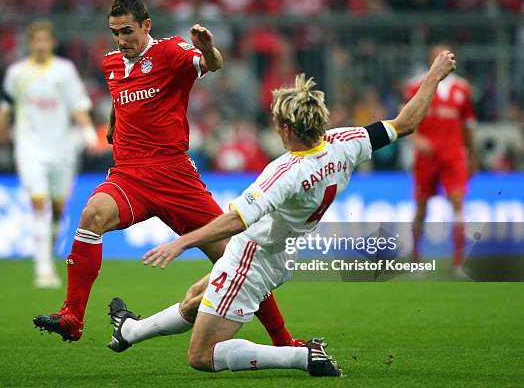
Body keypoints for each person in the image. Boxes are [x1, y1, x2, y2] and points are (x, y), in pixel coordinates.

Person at [134, 51, 456, 377]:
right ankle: (130, 332)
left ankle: (300, 357)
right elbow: (406, 123)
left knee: (201, 356)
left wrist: (182, 242)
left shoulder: (286, 173)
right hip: (282, 255)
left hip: (251, 258)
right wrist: (434, 75)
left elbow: (236, 220)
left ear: (287, 129)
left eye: (276, 124)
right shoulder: (345, 142)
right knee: (193, 299)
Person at [33, 0, 299, 348]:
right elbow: (118, 97)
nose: (121, 40)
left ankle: (282, 341)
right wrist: (114, 125)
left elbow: (212, 64)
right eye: (115, 33)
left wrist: (209, 50)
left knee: (236, 257)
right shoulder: (111, 63)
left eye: (127, 31)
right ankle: (72, 317)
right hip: (129, 175)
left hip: (175, 177)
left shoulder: (171, 52)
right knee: (92, 214)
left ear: (146, 25)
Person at [0, 20, 96, 288]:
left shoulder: (65, 71)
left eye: (45, 40)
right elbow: (4, 112)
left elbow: (78, 106)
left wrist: (89, 132)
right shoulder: (17, 73)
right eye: (36, 40)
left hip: (61, 148)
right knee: (38, 204)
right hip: (30, 148)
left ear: (52, 43)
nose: (41, 45)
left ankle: (50, 247)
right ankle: (43, 268)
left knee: (58, 209)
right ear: (30, 43)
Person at [404, 44, 478, 276]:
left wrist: (472, 155)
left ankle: (457, 263)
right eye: (440, 56)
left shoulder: (462, 89)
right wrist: (417, 140)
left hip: (453, 153)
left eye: (449, 56)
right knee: (422, 208)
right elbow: (405, 118)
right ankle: (416, 259)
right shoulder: (417, 86)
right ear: (432, 60)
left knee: (457, 204)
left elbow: (468, 126)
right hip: (427, 157)